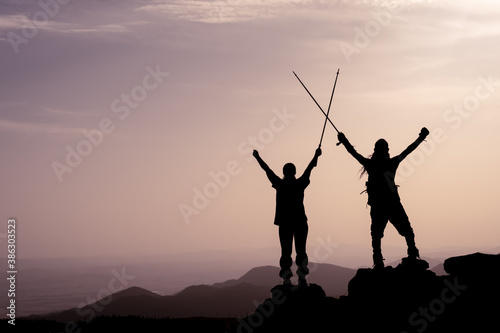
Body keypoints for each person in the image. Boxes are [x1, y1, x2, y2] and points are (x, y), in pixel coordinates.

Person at [337, 128, 429, 269]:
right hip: (393, 204)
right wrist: (421, 137)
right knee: (407, 231)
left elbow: (353, 153)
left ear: (375, 150)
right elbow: (409, 150)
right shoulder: (392, 163)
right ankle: (411, 253)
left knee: (376, 234)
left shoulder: (371, 164)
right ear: (386, 150)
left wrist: (344, 141)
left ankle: (378, 261)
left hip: (378, 205)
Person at [253, 148, 322, 285]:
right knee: (301, 250)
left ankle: (286, 279)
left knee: (286, 252)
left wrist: (257, 157)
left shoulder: (280, 184)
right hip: (300, 222)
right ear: (294, 172)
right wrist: (316, 155)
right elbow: (310, 168)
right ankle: (302, 278)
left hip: (285, 223)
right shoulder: (299, 184)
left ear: (284, 173)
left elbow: (267, 170)